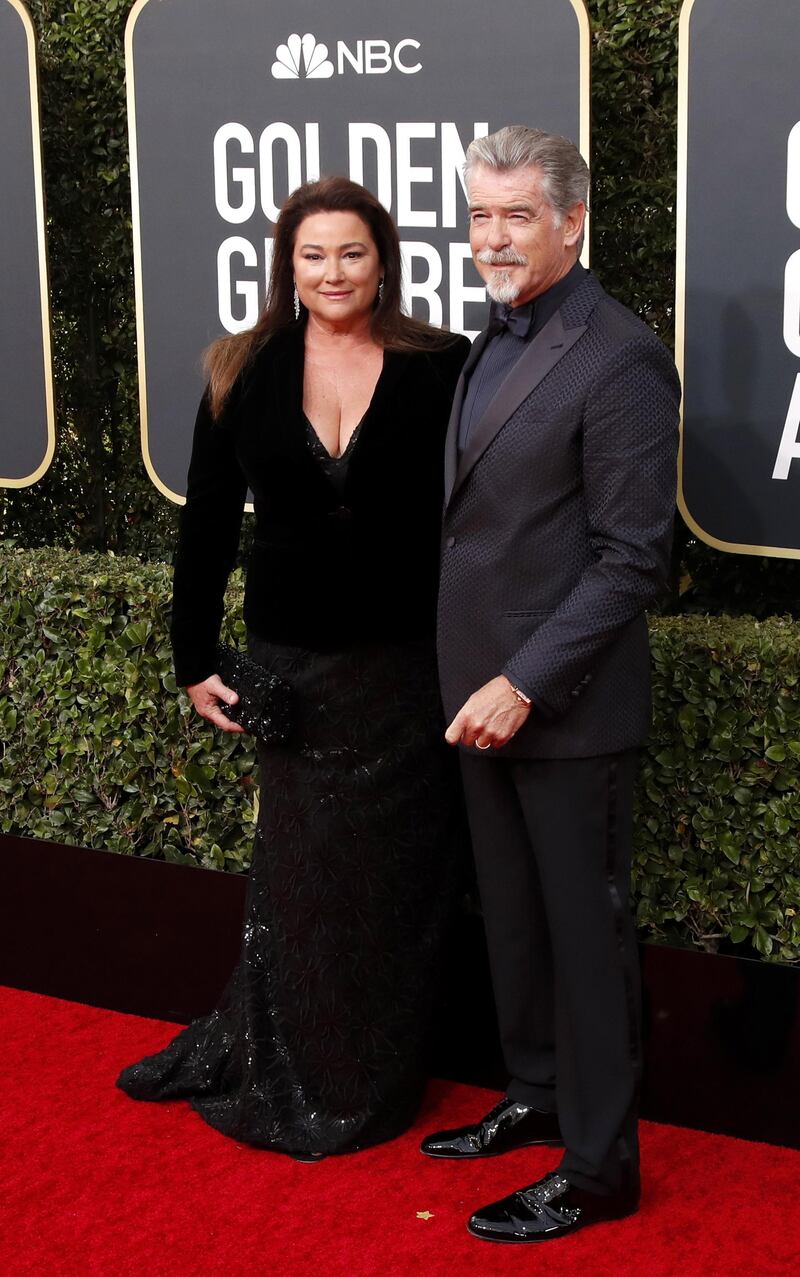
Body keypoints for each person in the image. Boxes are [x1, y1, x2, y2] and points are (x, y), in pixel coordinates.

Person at [117, 176, 469, 1159]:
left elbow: (482, 516)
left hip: (408, 669)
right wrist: (193, 656)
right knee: (302, 880)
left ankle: (366, 1074)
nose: (332, 272)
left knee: (393, 883)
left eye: (350, 252)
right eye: (312, 255)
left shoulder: (441, 364)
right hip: (294, 669)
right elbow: (205, 524)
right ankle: (282, 1051)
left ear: (382, 259)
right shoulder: (242, 367)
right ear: (287, 265)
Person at [423, 126, 680, 1241]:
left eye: (514, 214)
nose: (491, 236)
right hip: (471, 692)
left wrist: (523, 680)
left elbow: (634, 556)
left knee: (583, 934)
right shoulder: (487, 337)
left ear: (570, 222)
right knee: (514, 922)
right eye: (478, 214)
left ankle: (598, 1163)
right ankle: (531, 1092)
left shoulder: (616, 352)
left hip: (559, 703)